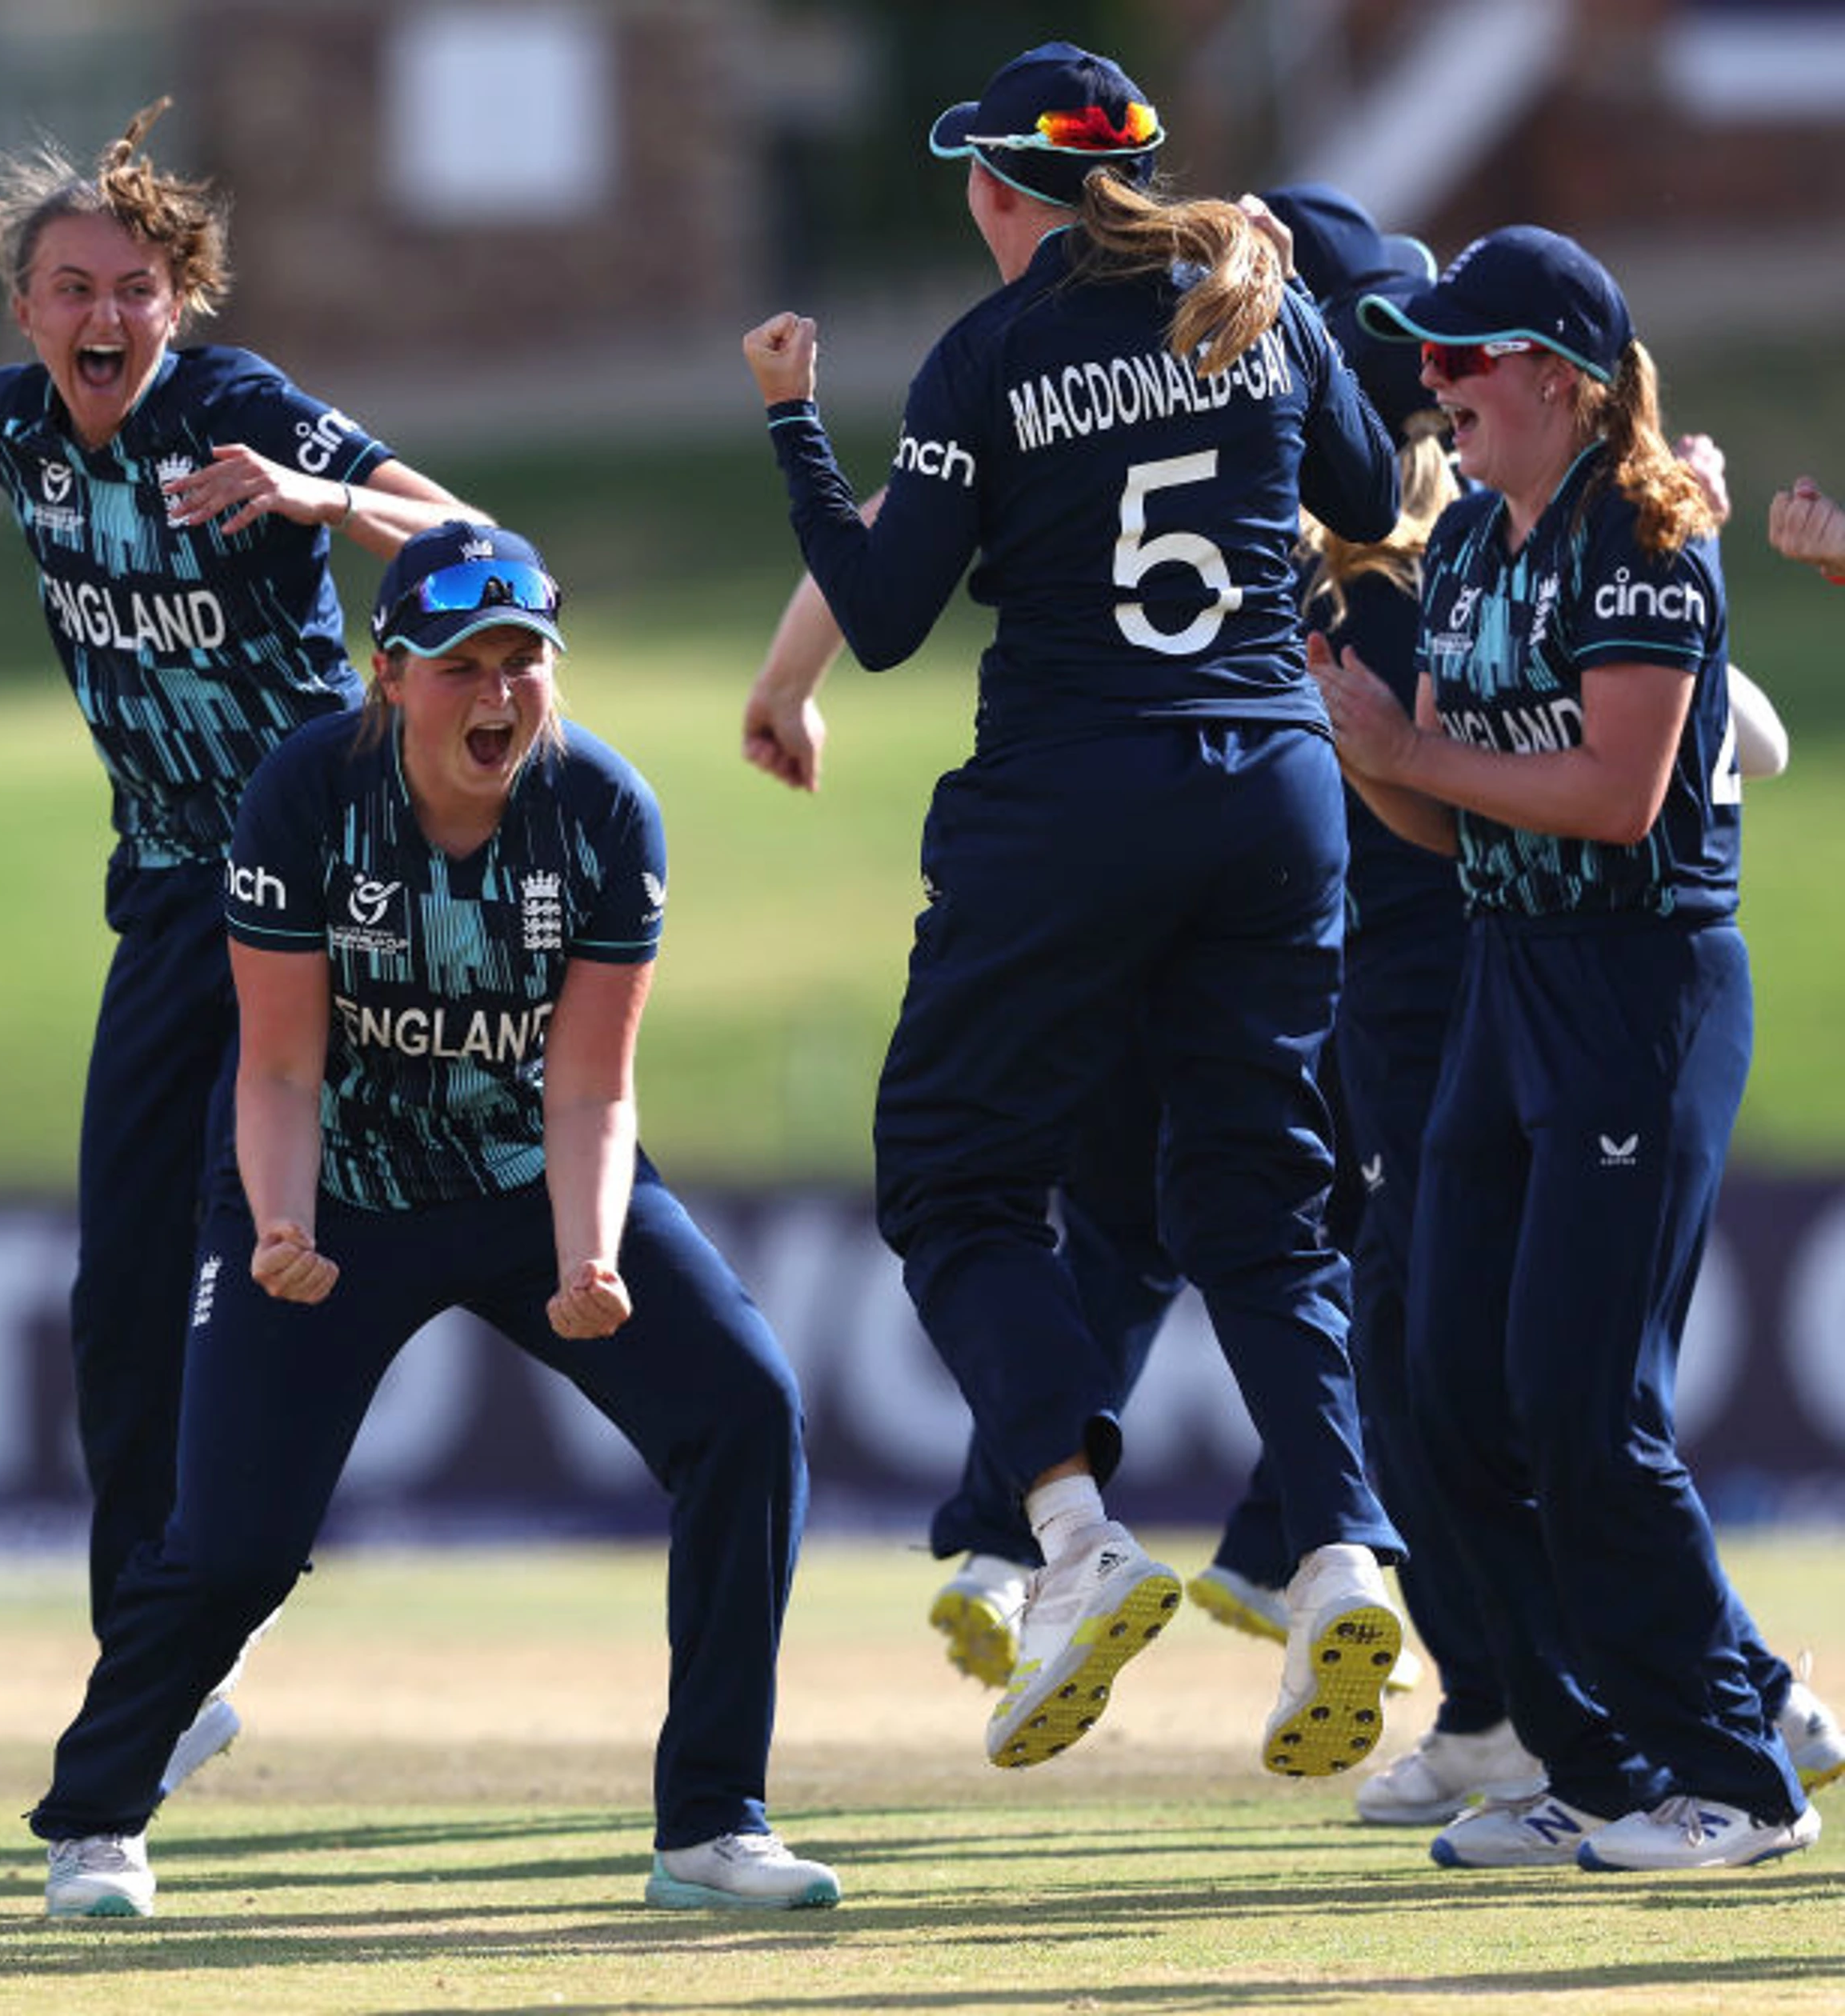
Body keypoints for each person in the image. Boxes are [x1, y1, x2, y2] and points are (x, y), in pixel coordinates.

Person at [742, 39, 1409, 1777]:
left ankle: (1071, 1537)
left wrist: (794, 425)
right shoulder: (1254, 294)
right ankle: (1343, 1559)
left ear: (994, 187)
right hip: (1271, 793)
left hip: (1069, 801)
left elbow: (886, 612)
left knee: (951, 1178)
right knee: (1262, 1205)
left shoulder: (991, 350)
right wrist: (1285, 315)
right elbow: (1362, 498)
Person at [25, 522, 834, 1918]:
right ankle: (95, 1821)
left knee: (746, 1412)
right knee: (235, 1546)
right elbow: (278, 1068)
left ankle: (712, 1825)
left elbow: (592, 1087)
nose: (499, 693)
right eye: (462, 665)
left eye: (524, 661)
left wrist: (589, 1254)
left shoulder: (604, 813)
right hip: (331, 1189)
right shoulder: (303, 796)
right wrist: (281, 1227)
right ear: (390, 675)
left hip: (528, 1178)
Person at [0, 99, 476, 1786]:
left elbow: (482, 548)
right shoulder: (14, 420)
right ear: (26, 312)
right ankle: (157, 1656)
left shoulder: (237, 407)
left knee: (294, 1258)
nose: (105, 315)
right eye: (71, 289)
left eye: (136, 289)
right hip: (166, 905)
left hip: (330, 896)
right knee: (121, 1289)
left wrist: (314, 493)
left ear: (179, 306)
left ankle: (215, 1596)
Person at [1320, 225, 1823, 1870]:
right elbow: (1447, 815)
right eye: (1432, 354)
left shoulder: (1646, 535)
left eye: (1465, 354)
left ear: (1560, 376)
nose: (1434, 379)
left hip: (1639, 991)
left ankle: (1739, 1779)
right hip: (1507, 981)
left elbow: (1614, 794)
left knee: (1583, 1403)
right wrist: (1362, 741)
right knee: (1445, 1392)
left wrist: (1411, 756)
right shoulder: (1468, 545)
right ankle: (1595, 1768)